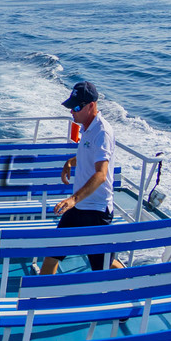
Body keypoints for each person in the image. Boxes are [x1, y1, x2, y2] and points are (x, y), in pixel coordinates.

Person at [41, 81, 122, 275]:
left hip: (96, 212)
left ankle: (134, 286)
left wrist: (73, 199)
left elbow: (101, 174)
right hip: (78, 208)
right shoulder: (87, 127)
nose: (72, 112)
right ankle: (41, 300)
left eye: (76, 108)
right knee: (52, 255)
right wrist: (70, 162)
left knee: (105, 265)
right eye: (71, 107)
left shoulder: (102, 132)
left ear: (91, 106)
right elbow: (88, 155)